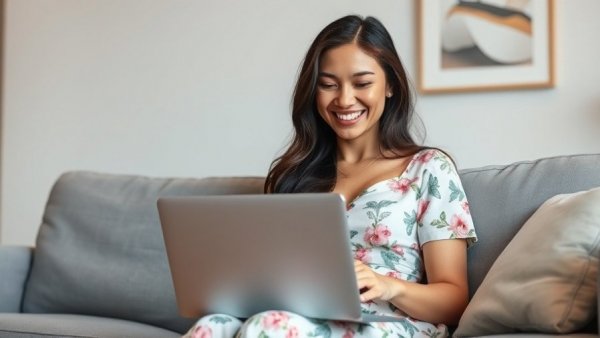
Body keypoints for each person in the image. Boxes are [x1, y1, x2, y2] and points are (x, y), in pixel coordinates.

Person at [185, 14, 477, 338]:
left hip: (391, 326)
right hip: (303, 319)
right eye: (328, 85)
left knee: (267, 327)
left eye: (362, 83)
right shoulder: (295, 176)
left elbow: (455, 299)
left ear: (390, 85)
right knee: (211, 326)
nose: (344, 99)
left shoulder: (429, 169)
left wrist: (387, 287)